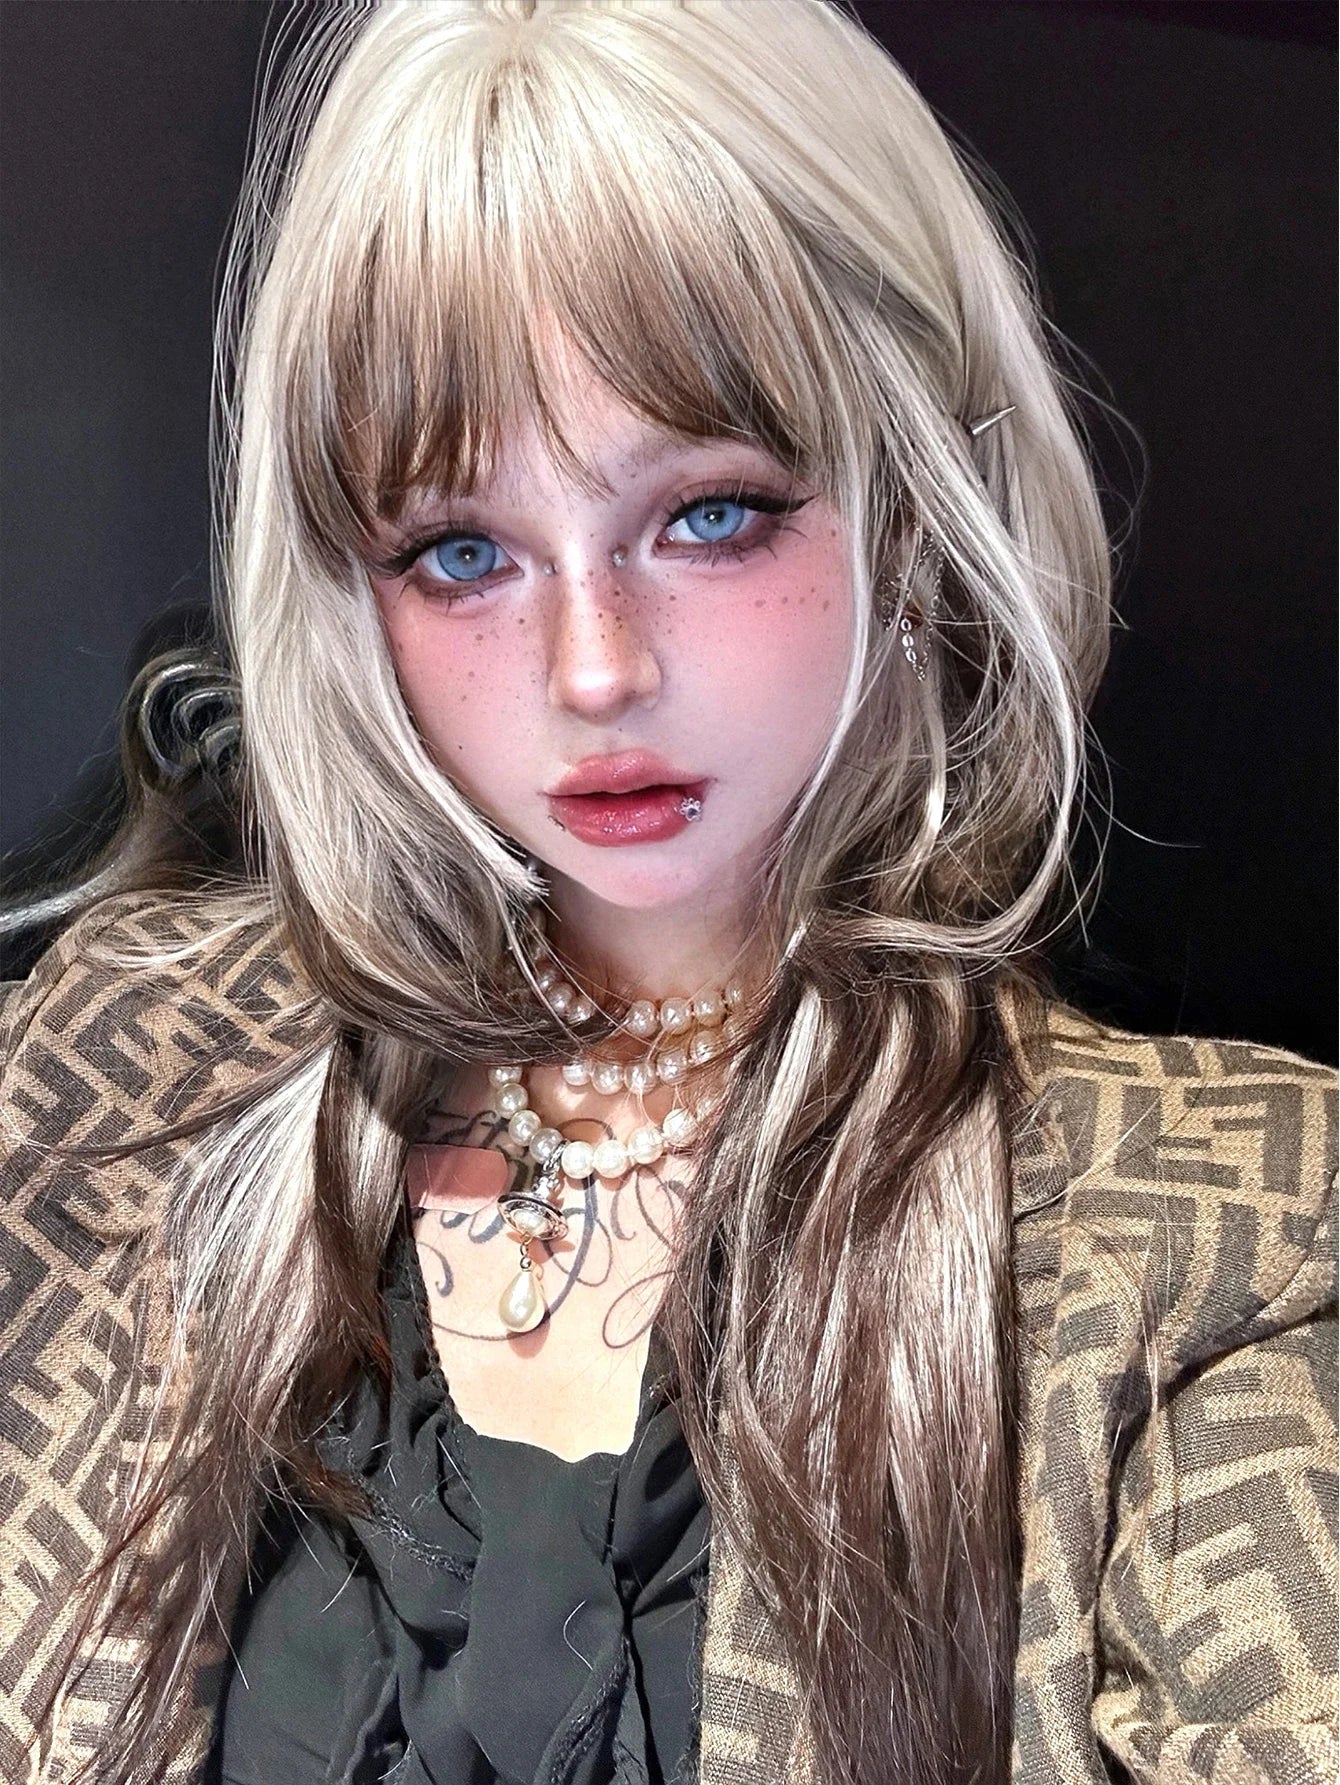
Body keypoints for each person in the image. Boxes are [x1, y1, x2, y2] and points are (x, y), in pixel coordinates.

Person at [1, 3, 1334, 1782]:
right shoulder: (106, 1074)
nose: (593, 670)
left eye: (709, 515)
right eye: (459, 552)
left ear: (914, 502)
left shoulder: (1227, 1231)